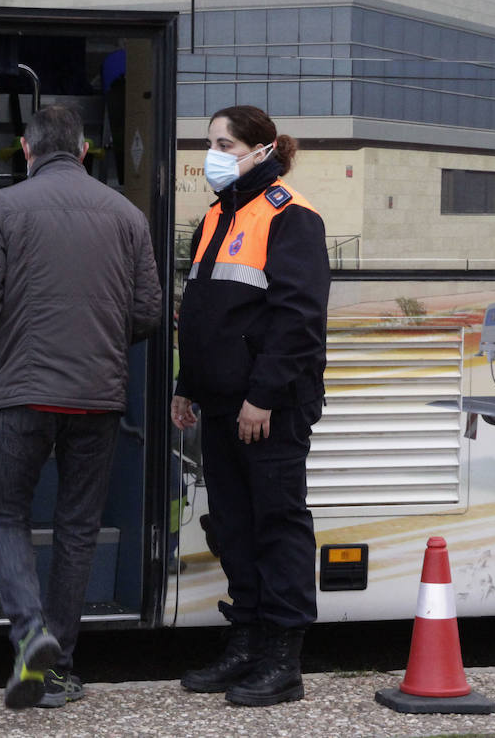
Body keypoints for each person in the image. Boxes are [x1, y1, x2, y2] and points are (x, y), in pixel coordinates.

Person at [0, 103, 160, 710]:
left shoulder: (1, 208)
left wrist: (15, 329)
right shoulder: (127, 214)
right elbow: (148, 312)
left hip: (23, 391)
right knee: (77, 526)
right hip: (98, 397)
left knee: (7, 512)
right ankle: (60, 667)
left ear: (26, 149)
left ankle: (29, 634)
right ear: (86, 150)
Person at [171, 105, 329, 707]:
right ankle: (246, 643)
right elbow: (204, 312)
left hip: (270, 408)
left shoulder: (292, 217)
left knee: (278, 525)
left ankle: (282, 659)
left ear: (262, 150)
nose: (213, 154)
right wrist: (189, 384)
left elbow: (298, 320)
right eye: (211, 143)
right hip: (220, 405)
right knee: (235, 525)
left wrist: (261, 396)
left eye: (225, 143)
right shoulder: (215, 215)